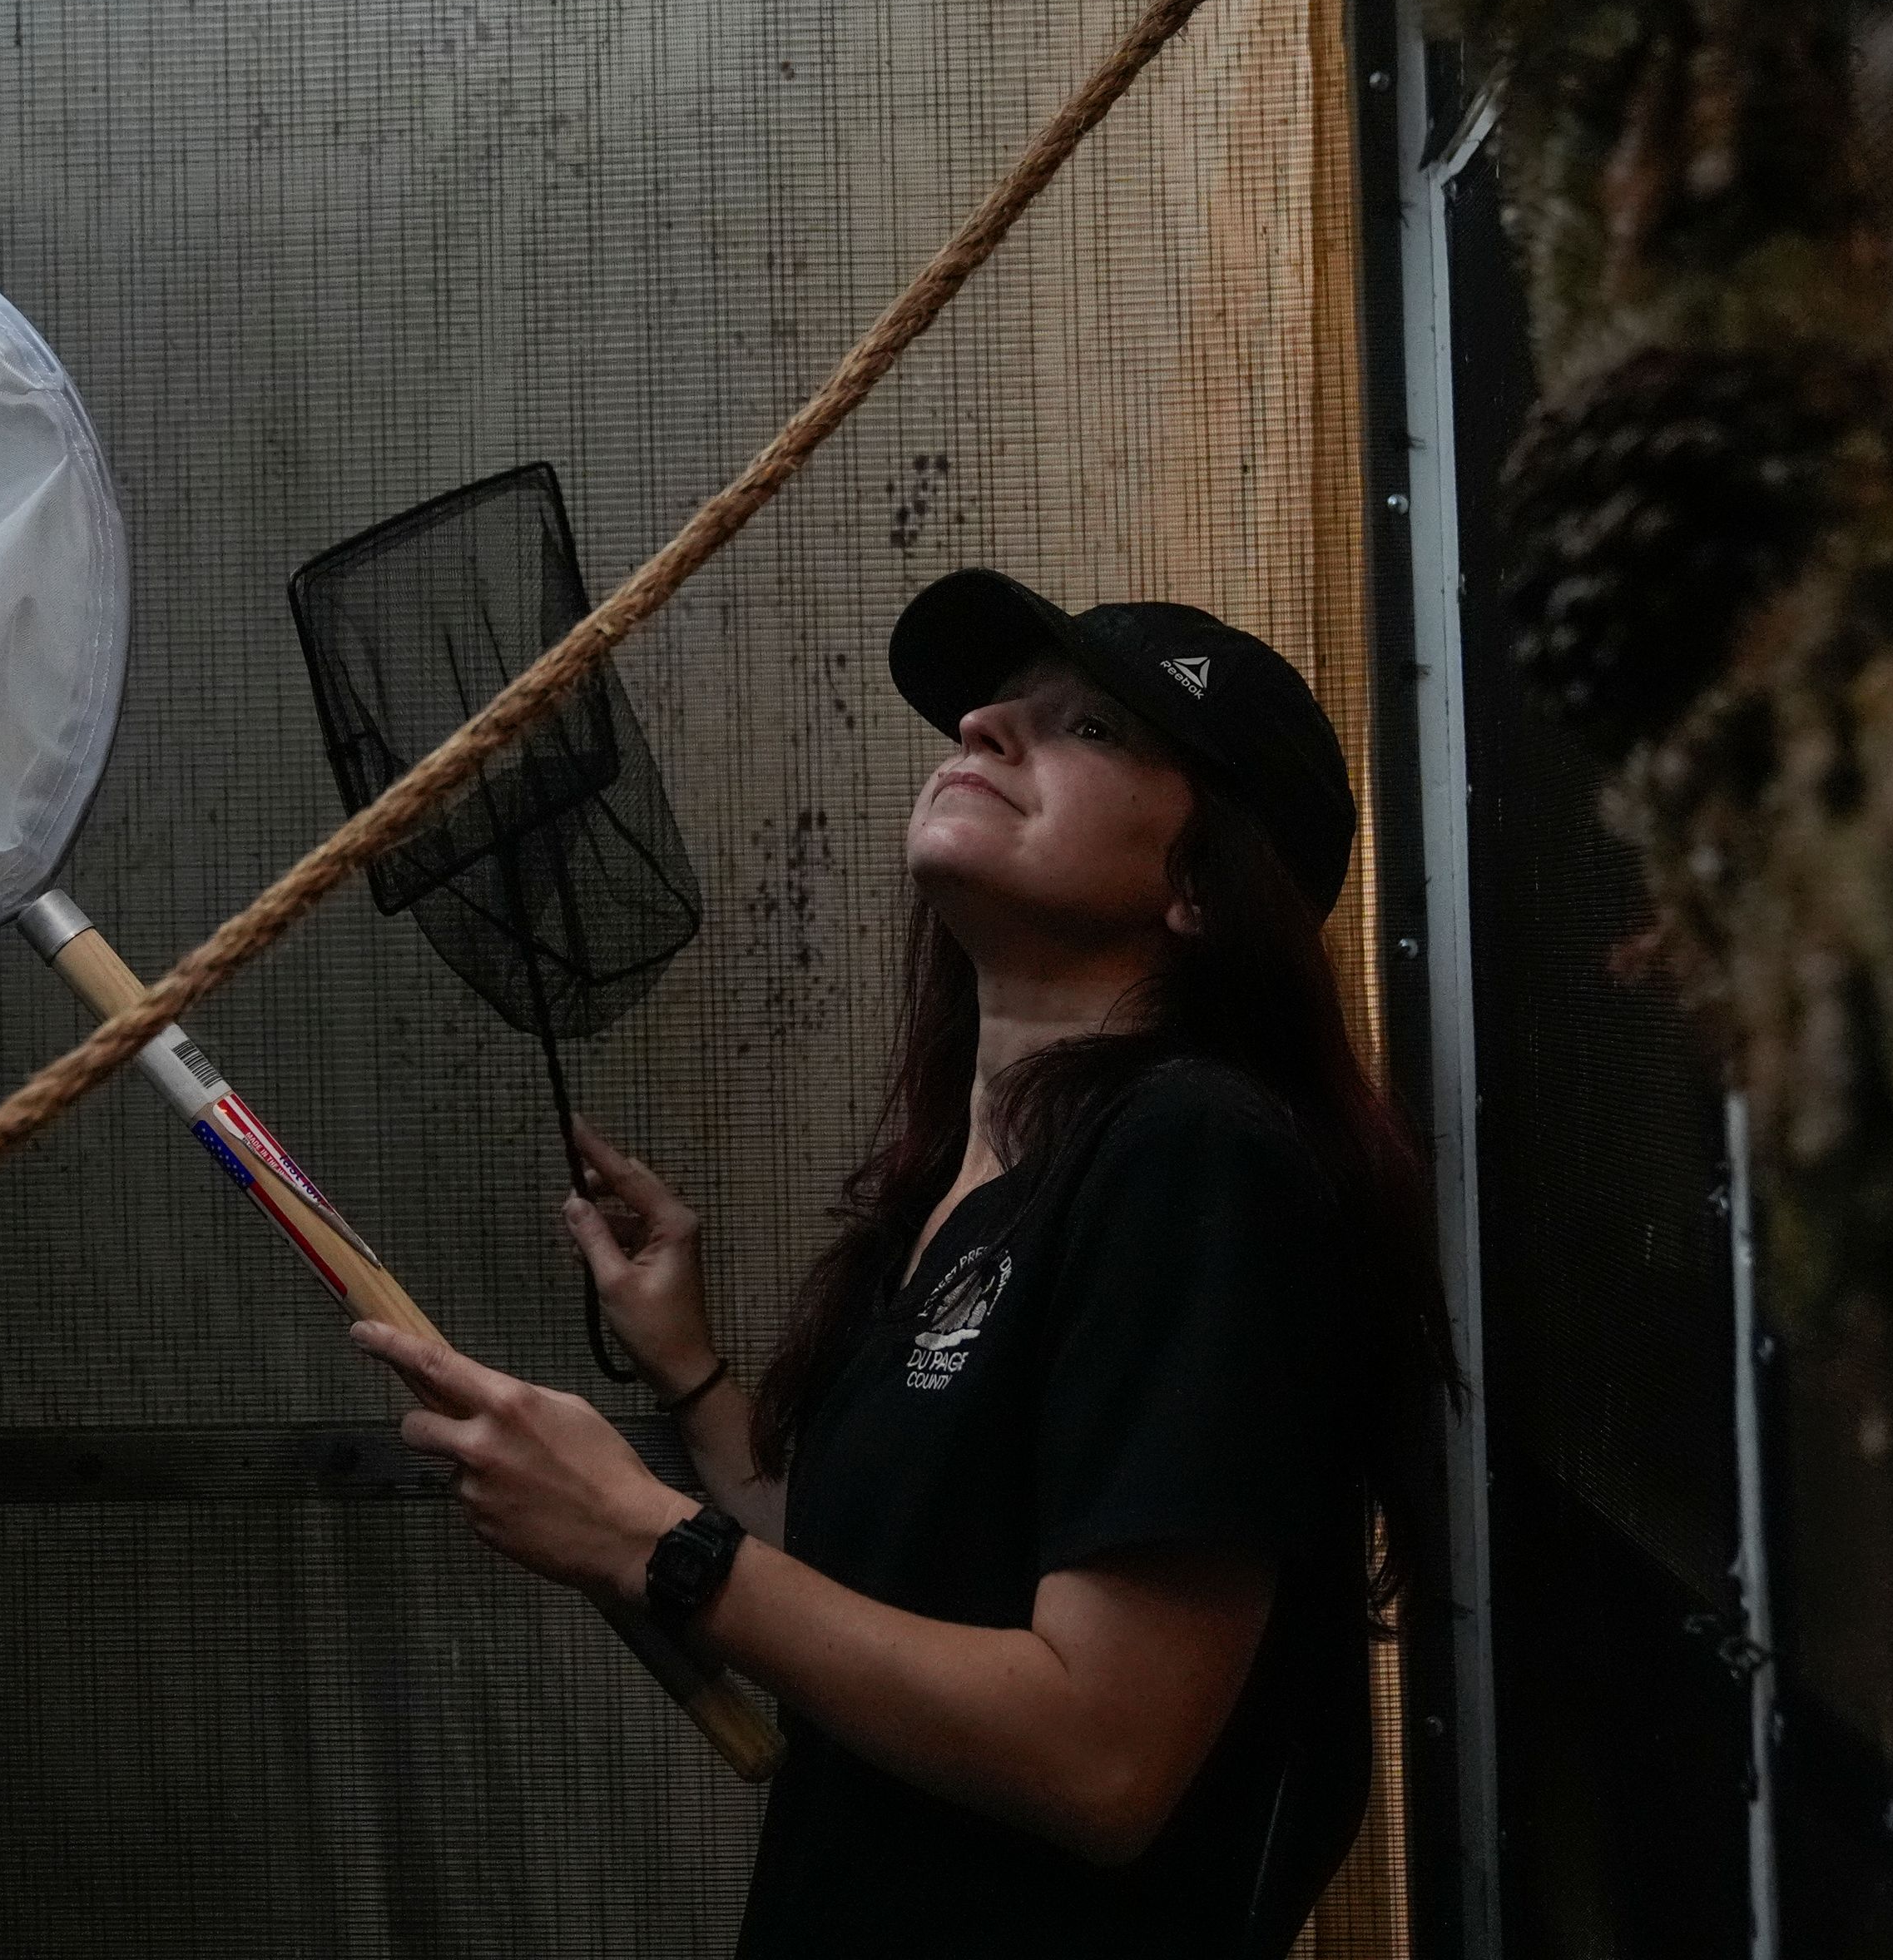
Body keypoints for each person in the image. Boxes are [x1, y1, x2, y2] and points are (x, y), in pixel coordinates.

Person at [351, 568, 1459, 1956]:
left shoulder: (1198, 1158)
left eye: (1091, 730)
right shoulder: (972, 1185)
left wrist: (652, 1543)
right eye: (1000, 708)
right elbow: (865, 1581)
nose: (984, 724)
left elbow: (1101, 1758)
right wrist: (689, 1375)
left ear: (1200, 884)